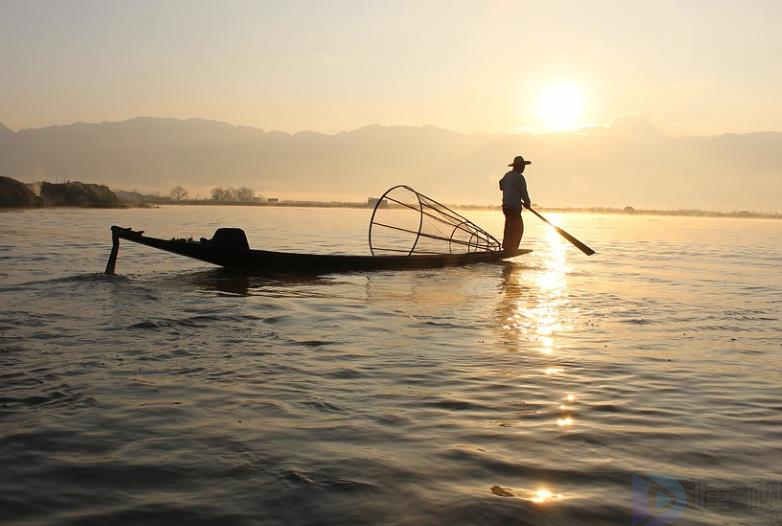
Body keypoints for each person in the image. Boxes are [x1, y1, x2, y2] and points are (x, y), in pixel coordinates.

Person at [499, 155, 531, 255]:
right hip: (514, 207)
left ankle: (506, 247)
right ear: (519, 167)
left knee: (509, 226)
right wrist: (527, 203)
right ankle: (512, 249)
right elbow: (524, 193)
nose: (523, 168)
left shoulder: (507, 175)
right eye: (522, 166)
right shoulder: (520, 178)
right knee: (518, 228)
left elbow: (501, 184)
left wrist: (508, 188)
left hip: (506, 207)